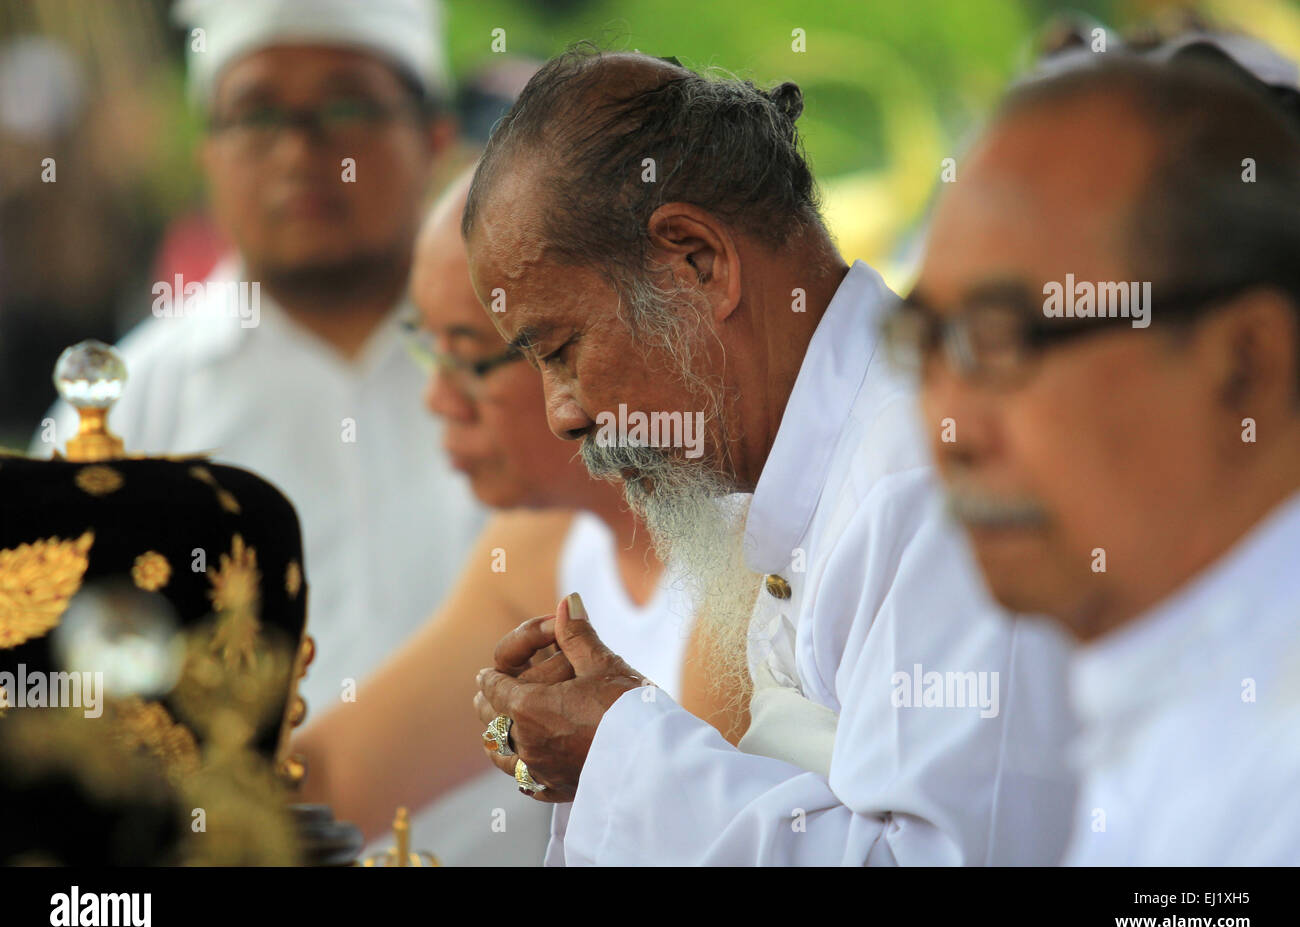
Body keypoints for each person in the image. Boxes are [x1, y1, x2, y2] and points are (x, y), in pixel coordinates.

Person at [466, 48, 1078, 865]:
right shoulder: (840, 461)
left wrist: (620, 751)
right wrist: (611, 740)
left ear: (697, 261)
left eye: (562, 348)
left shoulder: (923, 472)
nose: (562, 416)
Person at [894, 57, 1300, 864]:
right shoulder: (1166, 686)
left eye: (1002, 341)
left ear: (1246, 364)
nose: (949, 432)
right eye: (926, 344)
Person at [34, 0, 485, 721]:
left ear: (434, 136)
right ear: (207, 152)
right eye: (257, 113)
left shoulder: (530, 373)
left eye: (345, 108)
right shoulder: (127, 402)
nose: (299, 152)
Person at [294, 174, 742, 865]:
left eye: (472, 357)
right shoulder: (541, 549)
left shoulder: (749, 553)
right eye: (426, 347)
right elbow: (327, 784)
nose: (438, 399)